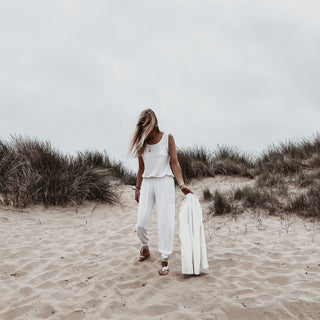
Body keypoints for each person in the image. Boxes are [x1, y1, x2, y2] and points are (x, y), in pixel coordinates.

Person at [128, 109, 193, 276]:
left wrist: (181, 184)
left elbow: (175, 163)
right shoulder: (141, 143)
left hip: (164, 181)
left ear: (154, 124)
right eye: (141, 128)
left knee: (165, 221)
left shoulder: (167, 138)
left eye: (146, 128)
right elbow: (141, 168)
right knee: (141, 223)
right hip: (147, 182)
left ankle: (165, 258)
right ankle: (145, 248)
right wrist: (138, 188)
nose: (144, 132)